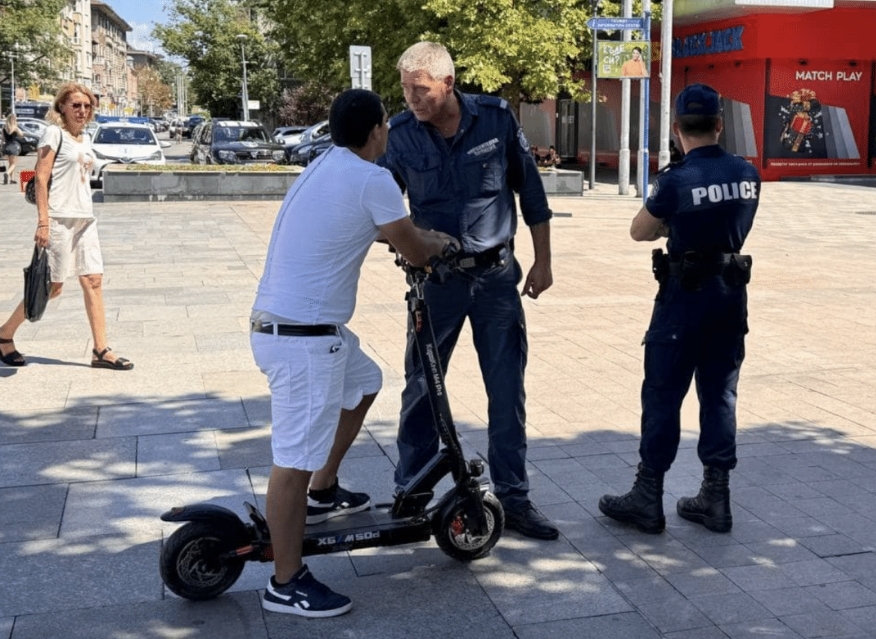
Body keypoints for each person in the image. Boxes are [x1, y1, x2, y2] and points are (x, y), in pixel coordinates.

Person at [250, 88, 456, 618]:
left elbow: (377, 231)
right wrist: (438, 243)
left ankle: (324, 490)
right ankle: (286, 581)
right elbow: (409, 243)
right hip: (302, 342)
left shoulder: (325, 165)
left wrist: (413, 237)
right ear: (378, 131)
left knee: (365, 381)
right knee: (291, 460)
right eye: (387, 125)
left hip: (299, 329)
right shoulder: (373, 178)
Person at [380, 41, 559, 541]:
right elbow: (375, 203)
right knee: (420, 388)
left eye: (420, 89)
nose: (411, 99)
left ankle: (515, 497)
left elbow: (531, 192)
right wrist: (402, 240)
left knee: (506, 389)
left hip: (497, 279)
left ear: (448, 84)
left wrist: (543, 261)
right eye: (405, 89)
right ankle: (412, 493)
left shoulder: (496, 119)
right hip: (436, 283)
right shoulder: (399, 136)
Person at [598, 84, 760, 534]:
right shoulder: (748, 173)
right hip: (729, 299)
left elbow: (639, 231)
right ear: (720, 124)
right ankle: (717, 497)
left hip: (683, 299)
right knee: (720, 395)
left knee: (664, 395)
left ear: (676, 128)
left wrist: (674, 221)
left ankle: (648, 496)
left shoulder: (675, 179)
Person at [0, 83, 133, 370]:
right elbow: (40, 177)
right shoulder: (54, 133)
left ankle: (101, 350)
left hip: (85, 219)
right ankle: (4, 334)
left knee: (93, 280)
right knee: (52, 286)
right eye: (75, 105)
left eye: (86, 106)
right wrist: (43, 222)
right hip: (58, 219)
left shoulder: (83, 138)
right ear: (62, 107)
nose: (82, 110)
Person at [2, 113, 24, 184]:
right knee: (14, 164)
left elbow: (3, 139)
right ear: (14, 119)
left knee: (10, 164)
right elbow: (21, 135)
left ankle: (12, 179)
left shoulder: (4, 128)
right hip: (13, 146)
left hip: (6, 147)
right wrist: (17, 129)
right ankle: (7, 173)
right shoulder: (14, 127)